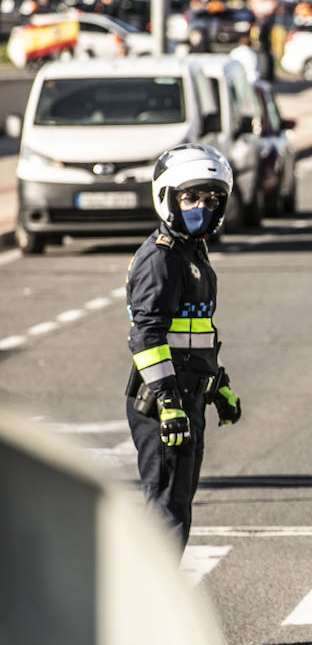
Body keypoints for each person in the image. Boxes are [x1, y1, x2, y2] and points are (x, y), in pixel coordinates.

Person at [125, 145, 242, 549]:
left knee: (177, 506)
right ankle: (145, 605)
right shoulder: (161, 258)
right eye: (190, 197)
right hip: (164, 404)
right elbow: (146, 336)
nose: (201, 208)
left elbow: (198, 332)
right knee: (165, 512)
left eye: (211, 200)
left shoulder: (194, 252)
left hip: (190, 396)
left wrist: (220, 385)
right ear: (167, 197)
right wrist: (168, 402)